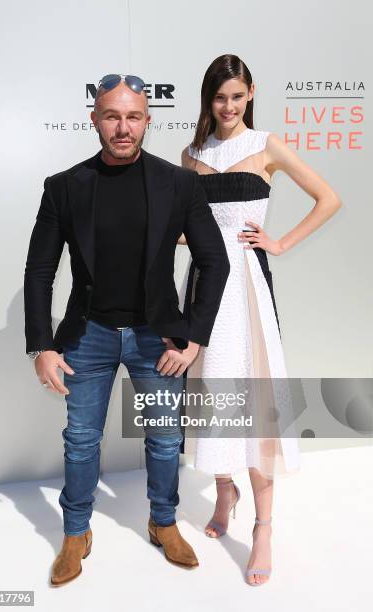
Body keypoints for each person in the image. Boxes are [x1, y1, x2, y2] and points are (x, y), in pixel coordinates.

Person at [24, 73, 230, 586]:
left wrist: (195, 336)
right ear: (94, 119)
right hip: (87, 336)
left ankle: (164, 523)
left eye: (133, 116)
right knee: (81, 440)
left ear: (147, 121)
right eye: (112, 116)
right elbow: (39, 271)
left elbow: (215, 260)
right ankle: (76, 532)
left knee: (163, 440)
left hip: (155, 338)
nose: (123, 127)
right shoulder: (65, 187)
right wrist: (41, 346)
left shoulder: (178, 183)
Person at [180, 55, 342, 586]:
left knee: (255, 401)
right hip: (206, 287)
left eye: (236, 96)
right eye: (218, 97)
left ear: (251, 93)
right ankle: (224, 489)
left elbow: (328, 198)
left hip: (247, 287)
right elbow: (189, 229)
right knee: (213, 391)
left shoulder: (267, 144)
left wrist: (278, 243)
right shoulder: (192, 153)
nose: (227, 107)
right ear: (208, 99)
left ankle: (264, 526)